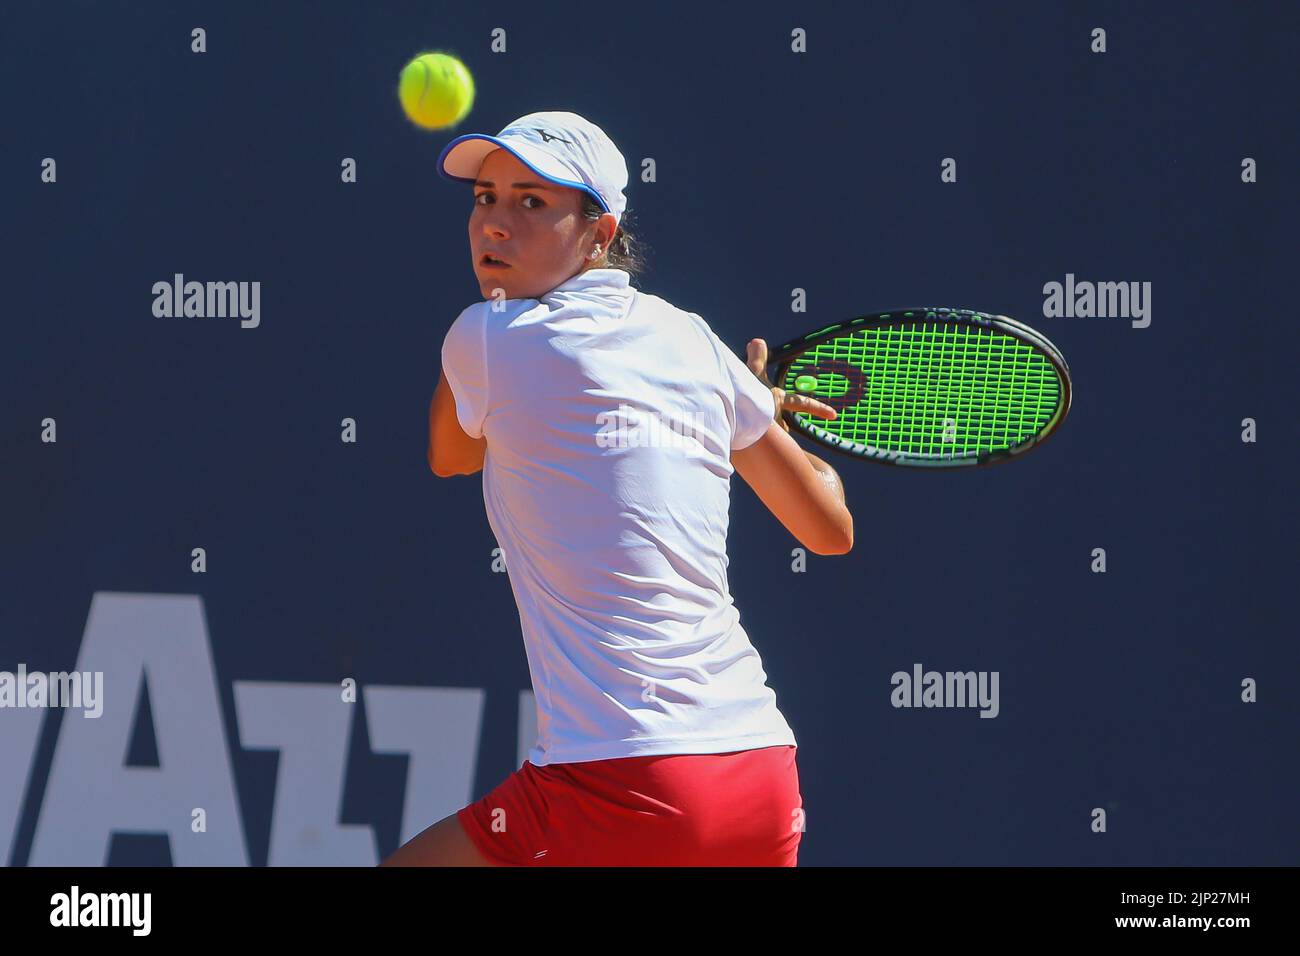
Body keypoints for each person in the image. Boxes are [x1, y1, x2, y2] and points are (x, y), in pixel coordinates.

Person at [381, 111, 852, 867]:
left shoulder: (484, 338)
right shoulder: (696, 341)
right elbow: (828, 527)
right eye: (484, 199)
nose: (494, 225)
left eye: (531, 203)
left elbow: (452, 454)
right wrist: (756, 413)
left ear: (601, 233)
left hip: (618, 782)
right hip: (759, 774)